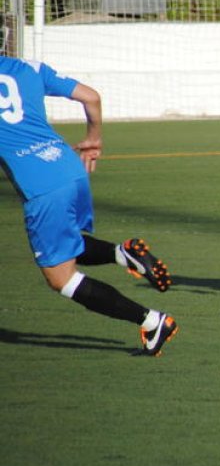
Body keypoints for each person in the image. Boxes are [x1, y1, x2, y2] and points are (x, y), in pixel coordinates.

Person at [0, 57, 176, 356]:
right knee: (67, 241)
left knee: (61, 279)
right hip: (69, 167)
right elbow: (91, 96)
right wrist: (93, 139)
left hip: (43, 189)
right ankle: (123, 253)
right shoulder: (28, 67)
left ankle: (152, 321)